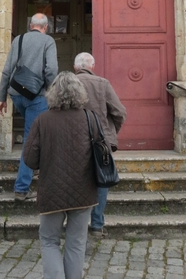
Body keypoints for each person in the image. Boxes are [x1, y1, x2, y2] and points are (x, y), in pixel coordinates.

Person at [23, 72, 98, 279]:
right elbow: (102, 153)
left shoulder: (42, 120)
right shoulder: (89, 118)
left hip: (52, 191)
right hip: (83, 191)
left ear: (53, 93)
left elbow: (29, 159)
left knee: (49, 241)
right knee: (76, 242)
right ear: (79, 93)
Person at [0, 12, 58, 199]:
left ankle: (35, 168)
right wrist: (51, 93)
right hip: (37, 96)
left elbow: (7, 69)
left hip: (16, 94)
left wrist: (2, 97)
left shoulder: (19, 40)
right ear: (45, 27)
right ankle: (22, 187)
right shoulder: (48, 41)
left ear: (30, 25)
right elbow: (51, 70)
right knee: (31, 138)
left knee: (36, 132)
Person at [73, 51, 126, 236]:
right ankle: (96, 225)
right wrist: (111, 132)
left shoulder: (66, 83)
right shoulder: (102, 84)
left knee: (76, 181)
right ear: (92, 67)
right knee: (102, 181)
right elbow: (119, 112)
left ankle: (76, 225)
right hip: (101, 141)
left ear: (75, 68)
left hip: (73, 141)